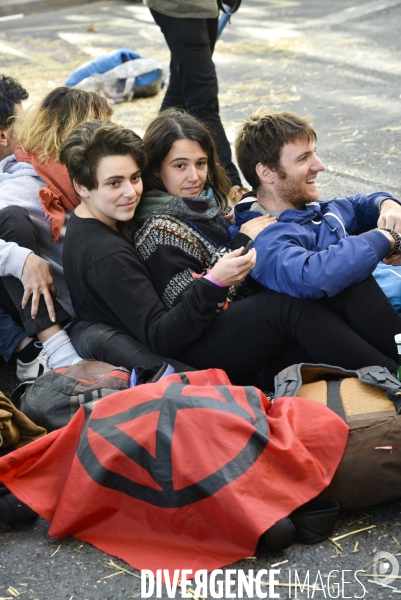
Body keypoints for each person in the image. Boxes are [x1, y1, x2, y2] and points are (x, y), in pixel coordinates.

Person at [60, 119, 399, 391]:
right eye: (180, 165)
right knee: (290, 307)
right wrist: (228, 264)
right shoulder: (138, 239)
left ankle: (393, 360)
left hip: (226, 327)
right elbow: (164, 334)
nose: (130, 192)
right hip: (197, 351)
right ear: (83, 186)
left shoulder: (192, 210)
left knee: (342, 279)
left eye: (133, 178)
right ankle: (391, 374)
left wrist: (382, 204)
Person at [0, 86, 113, 377]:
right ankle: (44, 352)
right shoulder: (26, 183)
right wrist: (19, 259)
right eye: (103, 129)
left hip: (95, 296)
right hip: (64, 312)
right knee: (10, 221)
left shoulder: (93, 172)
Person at [143, 0, 244, 202]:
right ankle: (231, 186)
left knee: (181, 89)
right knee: (202, 99)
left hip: (205, 7)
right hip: (181, 8)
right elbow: (203, 108)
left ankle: (153, 171)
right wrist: (233, 182)